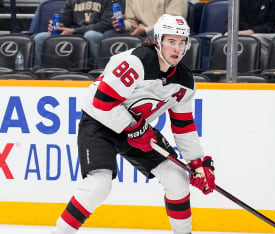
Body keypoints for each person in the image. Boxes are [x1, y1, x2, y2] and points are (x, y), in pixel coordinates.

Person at [51, 14, 216, 234]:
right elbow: (102, 103)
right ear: (157, 40)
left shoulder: (184, 81)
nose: (177, 48)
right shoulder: (134, 62)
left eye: (181, 42)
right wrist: (135, 128)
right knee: (99, 185)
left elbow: (183, 125)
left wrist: (198, 164)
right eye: (171, 41)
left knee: (177, 178)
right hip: (100, 123)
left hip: (136, 129)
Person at [33, 0, 113, 68]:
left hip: (95, 34)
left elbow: (105, 24)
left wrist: (75, 30)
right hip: (72, 33)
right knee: (40, 38)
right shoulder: (72, 1)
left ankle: (96, 72)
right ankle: (41, 72)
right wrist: (57, 26)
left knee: (91, 35)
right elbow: (65, 19)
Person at [222, 0, 275, 69]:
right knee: (217, 39)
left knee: (256, 39)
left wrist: (252, 31)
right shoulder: (238, 1)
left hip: (265, 34)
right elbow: (230, 19)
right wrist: (229, 31)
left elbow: (273, 25)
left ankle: (264, 74)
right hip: (242, 32)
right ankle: (219, 76)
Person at [107, 0, 188, 38]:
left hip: (168, 31)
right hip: (141, 31)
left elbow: (173, 21)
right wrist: (123, 25)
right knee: (109, 35)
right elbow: (131, 20)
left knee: (153, 34)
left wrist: (145, 30)